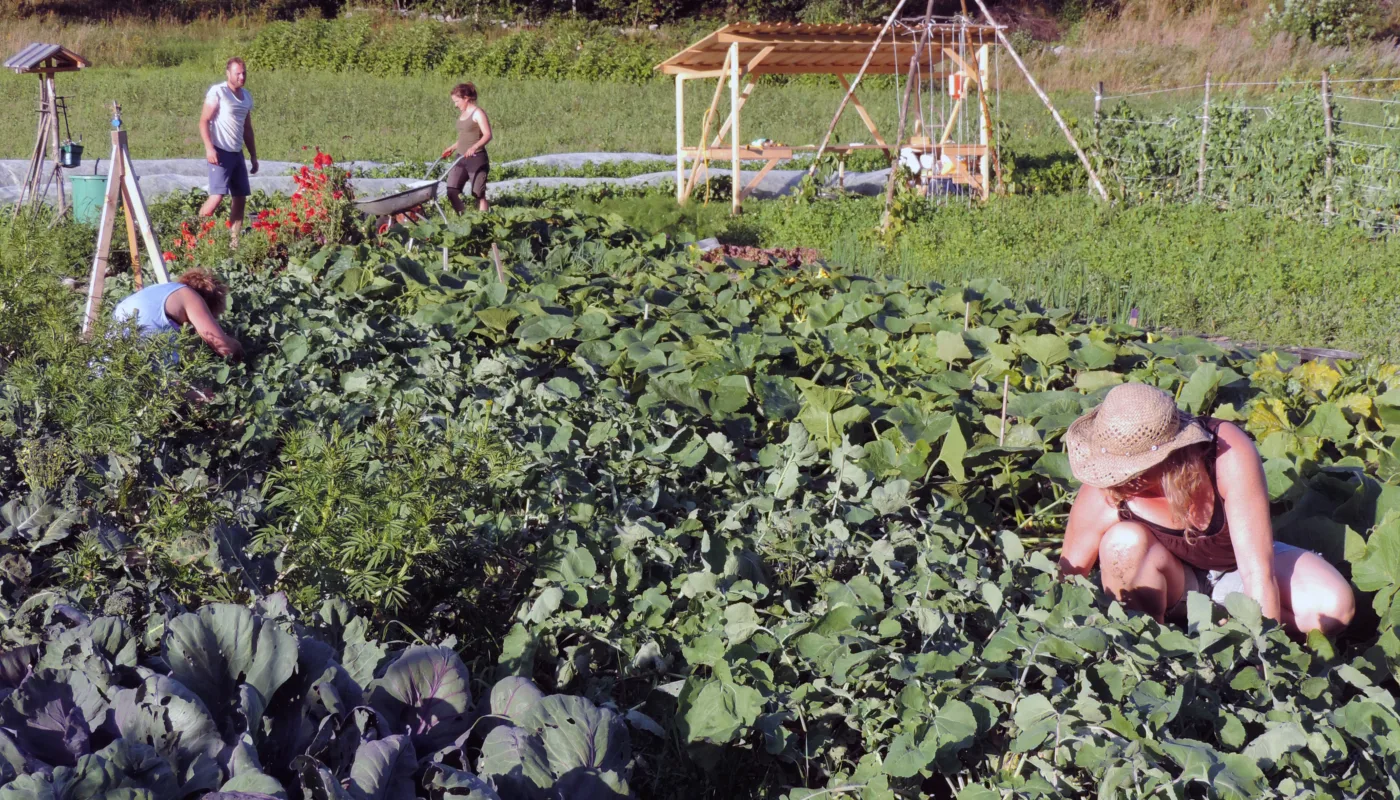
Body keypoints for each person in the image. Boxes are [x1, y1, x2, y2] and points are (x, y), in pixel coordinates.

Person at [1060, 382, 1354, 637]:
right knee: (1121, 542)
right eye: (1115, 468)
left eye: (1134, 470)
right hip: (1174, 588)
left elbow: (1257, 572)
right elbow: (1068, 578)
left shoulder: (1224, 451)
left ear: (1170, 453)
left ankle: (1226, 627)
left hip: (1236, 571)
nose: (1121, 479)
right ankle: (1150, 642)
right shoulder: (1105, 488)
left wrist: (1262, 657)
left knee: (1333, 608)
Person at [112, 269, 243, 361]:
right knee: (200, 390)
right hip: (145, 354)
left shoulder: (162, 290)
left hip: (110, 358)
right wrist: (238, 347)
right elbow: (223, 347)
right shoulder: (190, 295)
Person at [199, 57, 259, 241]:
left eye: (244, 73)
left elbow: (247, 128)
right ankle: (196, 237)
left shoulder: (246, 96)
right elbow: (204, 121)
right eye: (237, 73)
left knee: (240, 197)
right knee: (217, 196)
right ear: (228, 74)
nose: (242, 77)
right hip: (220, 151)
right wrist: (209, 148)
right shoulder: (219, 92)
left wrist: (253, 156)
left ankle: (234, 241)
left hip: (237, 153)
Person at [439, 83, 493, 214]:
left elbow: (487, 135)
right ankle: (463, 217)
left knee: (478, 193)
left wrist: (475, 147)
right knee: (451, 190)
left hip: (476, 157)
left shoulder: (478, 113)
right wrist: (452, 147)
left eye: (457, 101)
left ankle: (484, 219)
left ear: (466, 98)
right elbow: (465, 137)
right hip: (461, 157)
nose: (455, 105)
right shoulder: (463, 114)